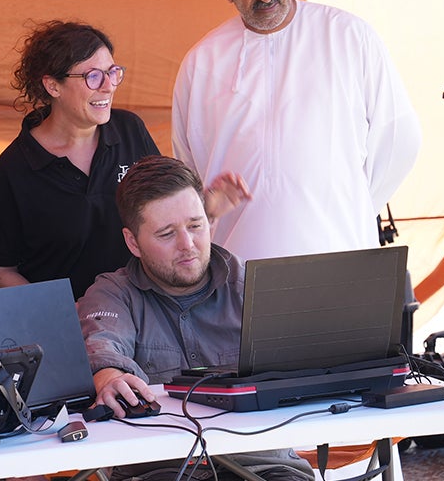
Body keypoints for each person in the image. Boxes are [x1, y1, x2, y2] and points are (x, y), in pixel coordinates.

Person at [172, 0, 422, 261]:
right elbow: (190, 165)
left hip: (339, 250)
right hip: (236, 266)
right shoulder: (201, 62)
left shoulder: (349, 36)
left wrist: (346, 204)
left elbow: (398, 141)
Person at [77, 155, 314, 481]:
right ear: (133, 242)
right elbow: (101, 344)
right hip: (160, 471)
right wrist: (108, 377)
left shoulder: (252, 286)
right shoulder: (113, 293)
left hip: (264, 468)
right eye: (166, 234)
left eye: (195, 226)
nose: (187, 245)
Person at [0, 21, 251, 300]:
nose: (108, 87)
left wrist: (208, 209)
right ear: (52, 86)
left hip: (143, 312)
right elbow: (0, 268)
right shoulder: (15, 167)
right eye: (93, 77)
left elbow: (162, 213)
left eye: (113, 72)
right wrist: (59, 314)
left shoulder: (129, 129)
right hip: (67, 326)